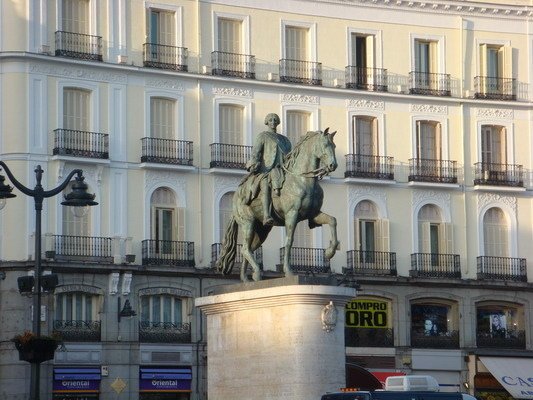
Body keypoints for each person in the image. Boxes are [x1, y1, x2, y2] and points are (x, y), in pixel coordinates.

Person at [244, 113, 292, 225]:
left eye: (275, 120)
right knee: (265, 185)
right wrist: (254, 163)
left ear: (278, 122)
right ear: (266, 122)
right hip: (266, 170)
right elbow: (256, 152)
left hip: (283, 170)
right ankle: (266, 215)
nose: (273, 121)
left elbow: (290, 156)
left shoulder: (285, 140)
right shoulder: (263, 136)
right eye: (270, 119)